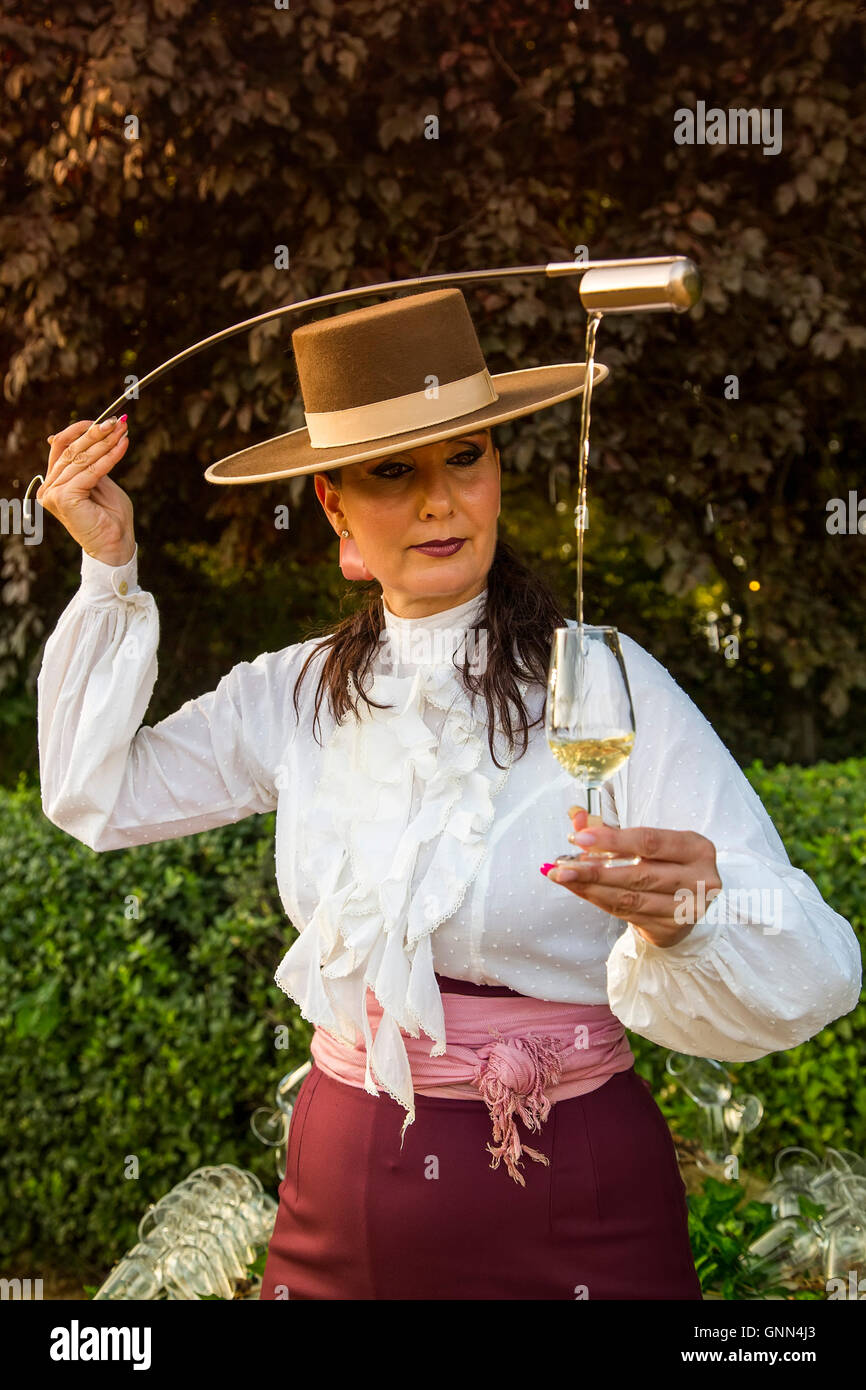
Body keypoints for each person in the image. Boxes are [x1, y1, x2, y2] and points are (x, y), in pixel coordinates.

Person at [36, 289, 861, 1301]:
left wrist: (694, 918)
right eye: (392, 471)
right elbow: (94, 795)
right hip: (342, 1198)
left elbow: (814, 961)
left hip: (581, 1200)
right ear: (333, 504)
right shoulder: (289, 695)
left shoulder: (604, 681)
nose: (439, 498)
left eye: (464, 456)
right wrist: (106, 567)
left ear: (496, 470)